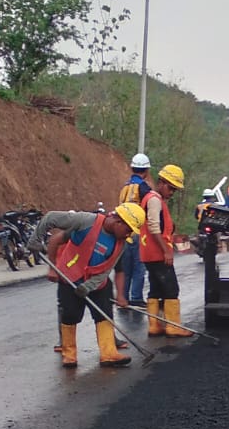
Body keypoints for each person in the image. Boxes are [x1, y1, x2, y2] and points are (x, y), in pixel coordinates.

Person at [35, 202, 146, 368]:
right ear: (118, 222)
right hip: (70, 279)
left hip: (98, 284)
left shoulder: (120, 244)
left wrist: (119, 295)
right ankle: (69, 354)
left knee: (104, 315)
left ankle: (109, 353)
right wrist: (52, 268)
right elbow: (55, 238)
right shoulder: (87, 223)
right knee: (70, 316)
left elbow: (113, 269)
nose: (128, 234)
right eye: (128, 229)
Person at [141, 163, 190, 336]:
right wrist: (166, 251)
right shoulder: (154, 199)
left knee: (155, 289)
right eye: (171, 188)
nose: (171, 192)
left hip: (149, 254)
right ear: (162, 182)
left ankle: (155, 326)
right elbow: (154, 227)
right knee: (171, 289)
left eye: (174, 190)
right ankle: (173, 326)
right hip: (157, 254)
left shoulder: (152, 198)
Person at [115, 153, 152, 307]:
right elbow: (149, 208)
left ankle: (123, 297)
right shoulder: (144, 188)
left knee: (126, 267)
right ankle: (136, 297)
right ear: (146, 170)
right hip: (137, 231)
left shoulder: (125, 187)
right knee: (139, 266)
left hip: (123, 231)